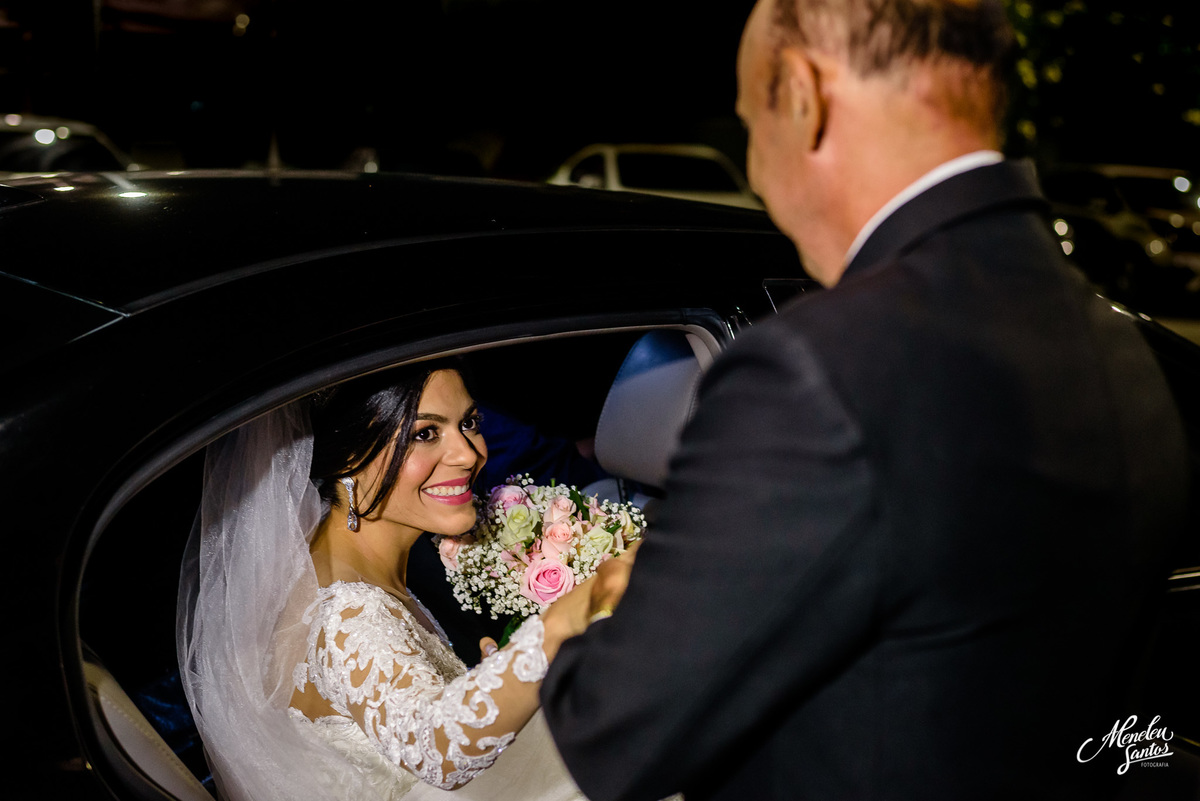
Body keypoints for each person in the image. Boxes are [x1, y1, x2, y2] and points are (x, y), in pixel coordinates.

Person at [540, 2, 1188, 800]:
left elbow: (615, 732)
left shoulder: (810, 372)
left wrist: (590, 611)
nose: (751, 159)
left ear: (805, 97)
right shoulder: (1123, 348)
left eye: (749, 121)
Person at [177, 362, 592, 801]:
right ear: (352, 456)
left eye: (468, 423)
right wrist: (557, 626)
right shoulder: (349, 612)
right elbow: (439, 751)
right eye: (425, 434)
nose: (469, 454)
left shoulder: (346, 565)